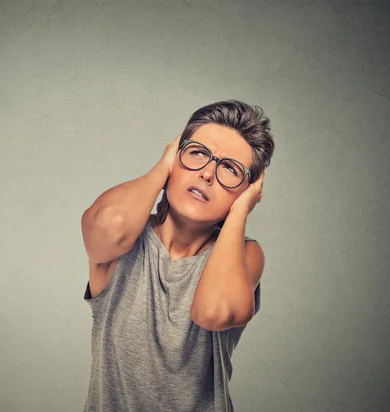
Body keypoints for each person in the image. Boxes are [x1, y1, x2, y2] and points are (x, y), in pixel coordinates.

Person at [81, 100, 275, 412]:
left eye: (229, 168)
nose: (208, 174)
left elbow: (213, 312)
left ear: (246, 191)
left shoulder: (247, 255)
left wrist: (240, 211)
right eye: (198, 153)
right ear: (176, 155)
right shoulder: (125, 242)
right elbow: (109, 228)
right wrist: (162, 168)